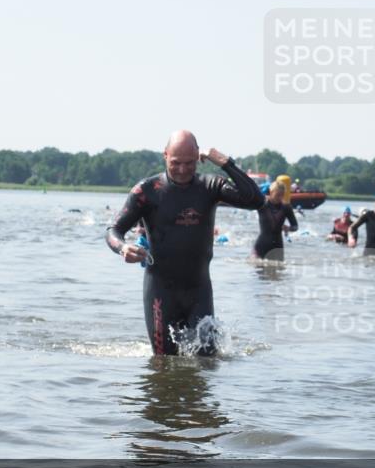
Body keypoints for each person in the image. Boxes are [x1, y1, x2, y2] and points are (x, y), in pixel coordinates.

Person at [106, 130, 265, 355]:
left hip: (199, 290)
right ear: (165, 156)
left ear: (199, 157)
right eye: (176, 163)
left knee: (207, 361)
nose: (182, 170)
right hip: (160, 292)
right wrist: (123, 247)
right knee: (163, 364)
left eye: (189, 163)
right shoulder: (147, 191)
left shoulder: (210, 186)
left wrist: (226, 163)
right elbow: (113, 230)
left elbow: (256, 200)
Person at [253, 182, 298, 260]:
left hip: (277, 247)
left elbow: (295, 226)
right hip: (261, 245)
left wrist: (289, 228)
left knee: (279, 271)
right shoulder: (262, 204)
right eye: (277, 195)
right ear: (271, 192)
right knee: (258, 270)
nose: (280, 197)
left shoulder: (286, 207)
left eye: (282, 195)